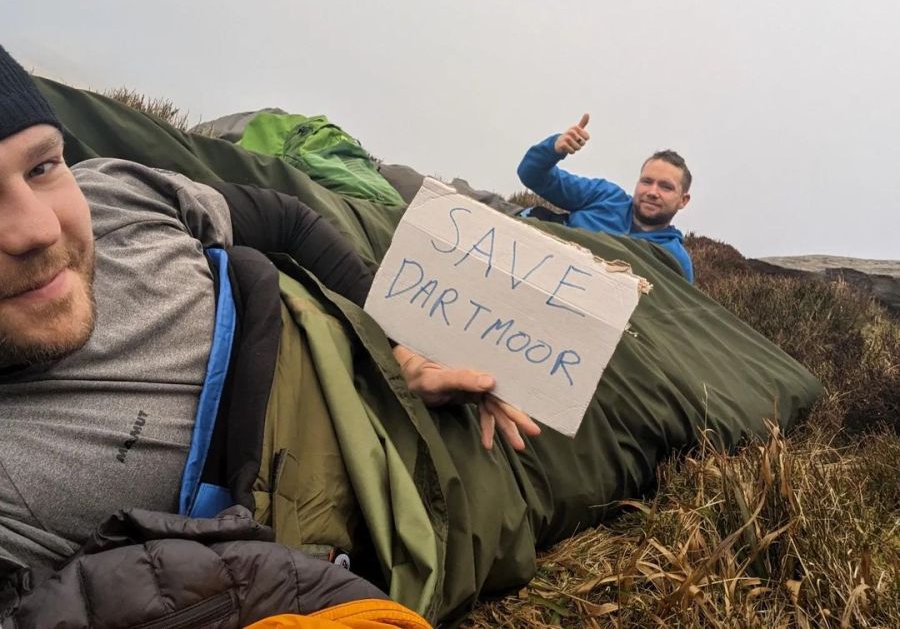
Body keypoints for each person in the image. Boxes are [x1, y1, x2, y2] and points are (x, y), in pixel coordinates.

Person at [2, 52, 822, 625]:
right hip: (352, 479)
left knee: (631, 374)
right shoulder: (602, 197)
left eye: (43, 166)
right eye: (646, 179)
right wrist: (555, 153)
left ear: (682, 203)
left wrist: (396, 342)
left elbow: (286, 214)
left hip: (377, 328)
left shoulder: (113, 192)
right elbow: (537, 181)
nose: (38, 227)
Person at [517, 114, 694, 282]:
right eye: (646, 181)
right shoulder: (605, 195)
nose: (653, 192)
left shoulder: (675, 259)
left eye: (666, 187)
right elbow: (531, 175)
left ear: (683, 200)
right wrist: (553, 148)